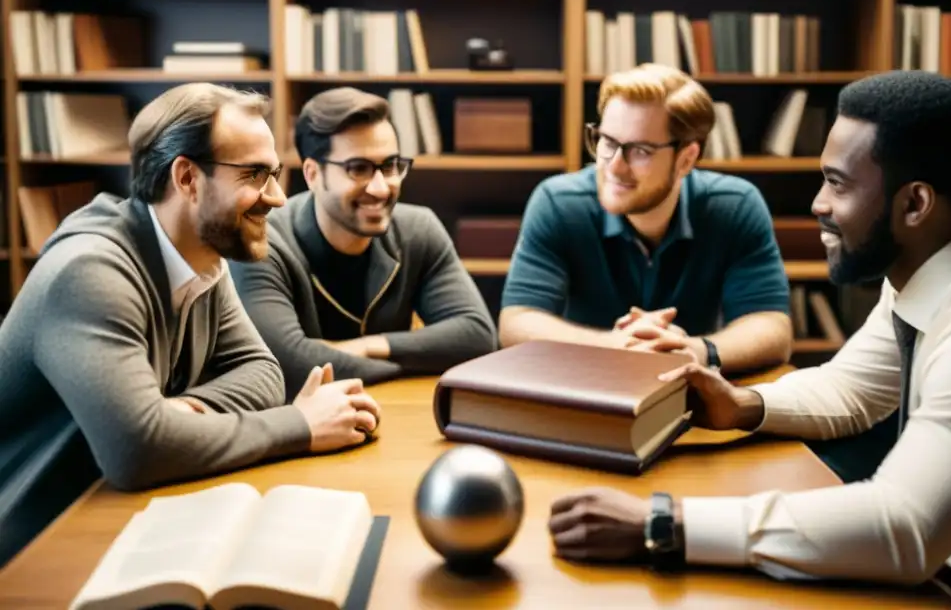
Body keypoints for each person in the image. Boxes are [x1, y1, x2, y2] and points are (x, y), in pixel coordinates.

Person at [547, 71, 951, 608]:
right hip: (945, 563)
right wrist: (741, 405)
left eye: (838, 184)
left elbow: (903, 528)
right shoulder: (930, 266)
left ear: (914, 204)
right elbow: (852, 390)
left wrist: (663, 522)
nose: (818, 204)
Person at [0, 83, 381, 567]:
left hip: (115, 516)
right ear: (187, 178)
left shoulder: (203, 258)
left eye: (274, 174)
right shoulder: (89, 272)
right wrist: (301, 424)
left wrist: (177, 415)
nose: (278, 197)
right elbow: (137, 453)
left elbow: (263, 374)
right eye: (255, 175)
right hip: (29, 546)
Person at [499, 63, 793, 374]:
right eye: (608, 142)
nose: (614, 166)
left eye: (640, 150)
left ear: (686, 159)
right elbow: (517, 321)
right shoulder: (558, 203)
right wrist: (613, 346)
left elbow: (771, 327)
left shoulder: (735, 206)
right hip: (586, 383)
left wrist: (695, 350)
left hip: (693, 388)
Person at [230, 87, 496, 399]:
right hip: (302, 419)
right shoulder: (262, 242)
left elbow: (477, 336)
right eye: (358, 169)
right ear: (313, 174)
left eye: (390, 166)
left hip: (393, 410)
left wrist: (367, 346)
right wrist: (412, 362)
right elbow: (288, 364)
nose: (381, 188)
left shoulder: (417, 229)